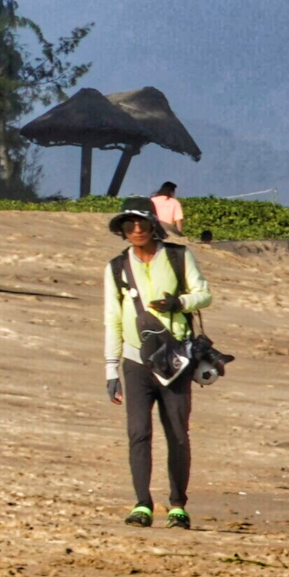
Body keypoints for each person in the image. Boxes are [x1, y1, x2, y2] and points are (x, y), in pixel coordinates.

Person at [101, 203, 212, 528]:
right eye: (129, 224)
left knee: (178, 434)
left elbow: (204, 295)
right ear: (122, 230)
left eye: (141, 223)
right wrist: (111, 370)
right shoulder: (116, 267)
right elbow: (112, 320)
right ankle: (142, 505)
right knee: (138, 433)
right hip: (135, 363)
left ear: (153, 225)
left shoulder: (179, 257)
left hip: (176, 361)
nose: (136, 229)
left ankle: (178, 505)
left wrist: (179, 302)